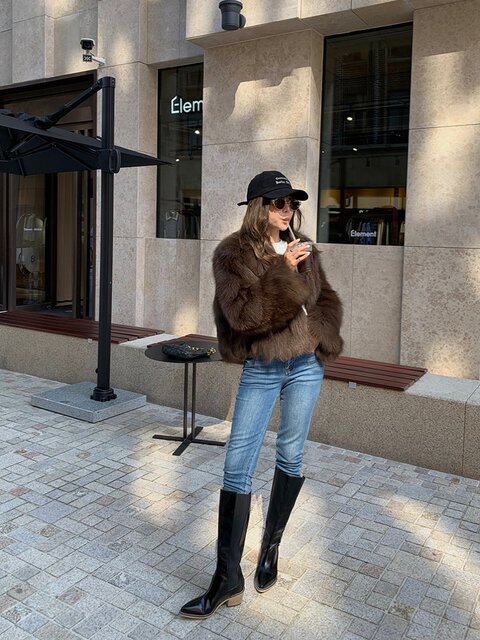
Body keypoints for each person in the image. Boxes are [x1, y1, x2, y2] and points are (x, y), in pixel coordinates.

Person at [180, 170, 343, 619]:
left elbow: (326, 298)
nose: (287, 209)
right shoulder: (232, 253)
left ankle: (270, 550)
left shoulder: (304, 246)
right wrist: (282, 270)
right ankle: (226, 579)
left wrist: (323, 334)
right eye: (278, 202)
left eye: (292, 202)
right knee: (238, 464)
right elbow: (244, 316)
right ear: (259, 206)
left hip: (306, 366)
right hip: (264, 368)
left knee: (291, 454)